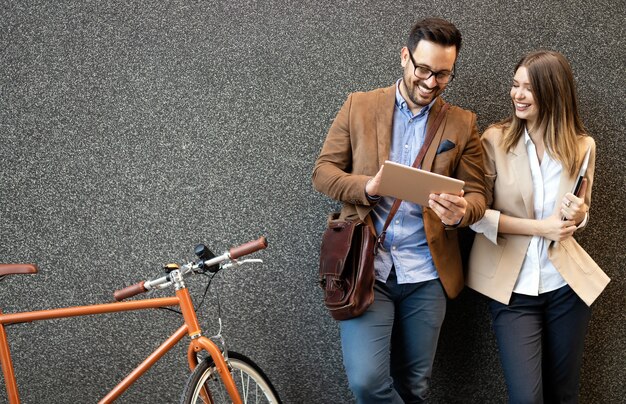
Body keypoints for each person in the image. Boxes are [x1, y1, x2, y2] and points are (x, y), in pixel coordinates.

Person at [312, 17, 486, 403]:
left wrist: (460, 213)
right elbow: (322, 173)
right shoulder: (360, 105)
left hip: (427, 274)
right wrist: (367, 188)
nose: (430, 82)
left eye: (442, 75)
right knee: (368, 382)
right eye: (423, 69)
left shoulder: (462, 123)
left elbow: (478, 195)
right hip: (366, 270)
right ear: (405, 58)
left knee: (415, 386)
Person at [467, 50, 610, 403]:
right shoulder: (495, 141)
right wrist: (539, 228)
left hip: (566, 287)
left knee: (564, 393)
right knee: (526, 398)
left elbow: (582, 211)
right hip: (513, 290)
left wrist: (578, 216)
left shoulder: (582, 147)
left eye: (528, 88)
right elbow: (476, 216)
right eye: (515, 85)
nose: (517, 94)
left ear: (553, 91)